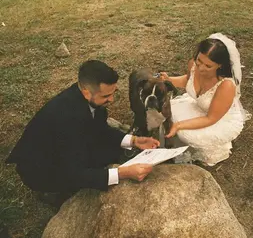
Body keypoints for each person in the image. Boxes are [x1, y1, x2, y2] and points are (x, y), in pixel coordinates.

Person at [6, 60, 159, 197]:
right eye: (106, 96)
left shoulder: (87, 99)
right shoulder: (67, 118)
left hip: (65, 149)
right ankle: (53, 195)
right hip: (42, 169)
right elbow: (74, 173)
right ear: (86, 92)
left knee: (111, 152)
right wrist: (122, 173)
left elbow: (100, 130)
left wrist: (134, 141)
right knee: (98, 163)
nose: (111, 100)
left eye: (113, 93)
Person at [160, 33, 251, 166]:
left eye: (208, 66)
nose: (201, 68)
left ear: (220, 65)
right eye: (199, 61)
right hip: (198, 107)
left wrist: (179, 125)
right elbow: (187, 80)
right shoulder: (193, 64)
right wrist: (168, 80)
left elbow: (211, 118)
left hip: (219, 119)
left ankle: (216, 147)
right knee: (165, 110)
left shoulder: (226, 85)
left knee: (184, 133)